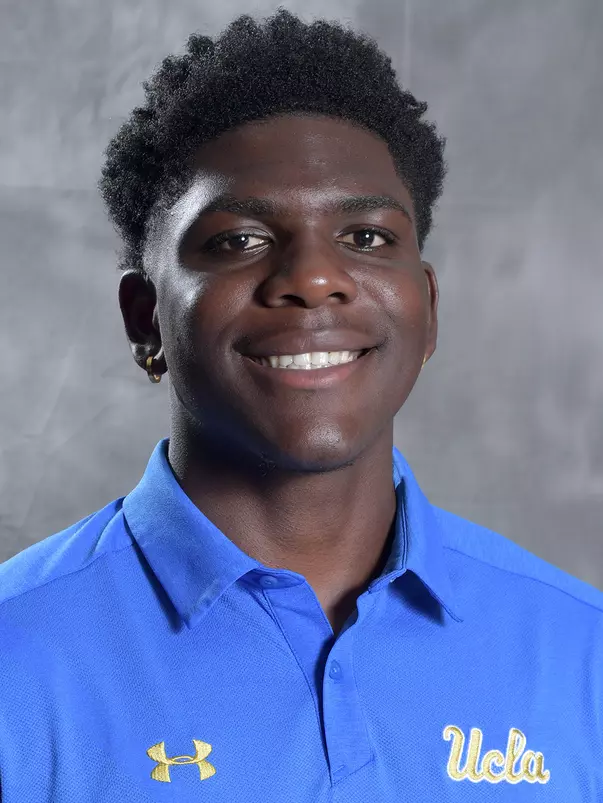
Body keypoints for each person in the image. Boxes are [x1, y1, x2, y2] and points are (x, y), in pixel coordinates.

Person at [0, 8, 601, 801]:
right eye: (239, 240)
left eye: (366, 237)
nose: (314, 279)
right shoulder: (18, 658)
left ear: (426, 309)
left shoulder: (580, 651)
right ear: (145, 319)